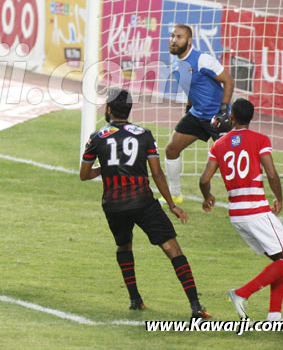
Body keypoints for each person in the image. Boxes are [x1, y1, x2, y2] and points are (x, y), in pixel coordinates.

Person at [80, 88, 210, 318]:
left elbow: (85, 174)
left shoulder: (96, 137)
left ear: (109, 110)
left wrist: (107, 168)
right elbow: (157, 173)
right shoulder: (144, 134)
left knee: (124, 246)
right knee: (172, 249)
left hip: (114, 205)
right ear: (129, 110)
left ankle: (135, 299)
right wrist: (172, 205)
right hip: (143, 202)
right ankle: (195, 306)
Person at [199, 98, 283, 322]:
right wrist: (279, 198)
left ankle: (274, 317)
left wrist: (207, 197)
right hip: (256, 211)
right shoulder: (260, 139)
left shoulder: (219, 144)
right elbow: (271, 174)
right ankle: (241, 293)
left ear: (231, 117)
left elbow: (204, 179)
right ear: (251, 118)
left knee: (280, 260)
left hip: (237, 214)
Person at [165, 23, 235, 203]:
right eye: (172, 36)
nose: (173, 40)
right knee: (171, 149)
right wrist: (189, 110)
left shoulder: (202, 59)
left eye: (179, 37)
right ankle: (175, 195)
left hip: (217, 117)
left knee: (230, 163)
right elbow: (191, 86)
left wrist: (223, 111)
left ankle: (246, 198)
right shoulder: (175, 61)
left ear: (189, 40)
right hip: (197, 115)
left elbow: (228, 80)